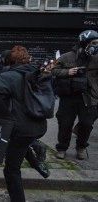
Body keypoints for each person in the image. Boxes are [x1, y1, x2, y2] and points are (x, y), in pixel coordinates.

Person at [0, 45, 48, 202]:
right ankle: (38, 165)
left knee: (11, 170)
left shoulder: (7, 77)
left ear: (8, 61)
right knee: (19, 145)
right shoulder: (36, 73)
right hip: (38, 126)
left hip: (21, 129)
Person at [52, 30, 98, 160]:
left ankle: (81, 147)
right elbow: (52, 70)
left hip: (89, 97)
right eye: (94, 43)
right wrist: (67, 72)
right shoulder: (67, 57)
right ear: (84, 43)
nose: (96, 46)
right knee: (65, 124)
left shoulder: (97, 57)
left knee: (86, 124)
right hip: (69, 97)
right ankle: (62, 148)